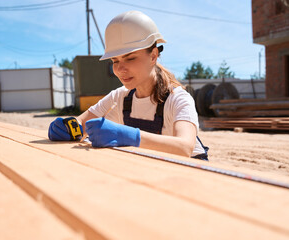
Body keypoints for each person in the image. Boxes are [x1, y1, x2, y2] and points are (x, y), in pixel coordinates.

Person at [48, 10, 208, 160]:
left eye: (130, 58)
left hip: (195, 175)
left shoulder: (178, 99)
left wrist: (129, 136)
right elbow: (81, 124)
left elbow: (185, 148)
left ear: (153, 56)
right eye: (115, 61)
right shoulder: (119, 97)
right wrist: (69, 128)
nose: (120, 69)